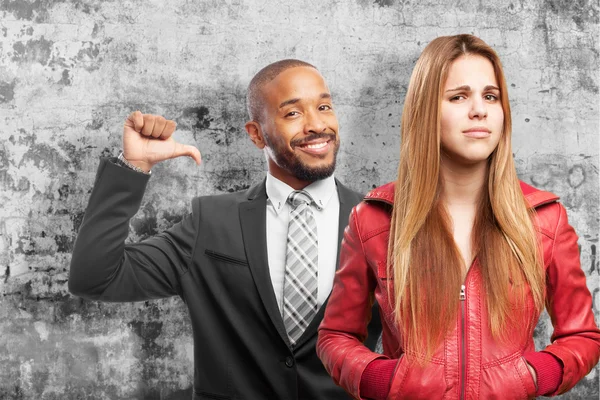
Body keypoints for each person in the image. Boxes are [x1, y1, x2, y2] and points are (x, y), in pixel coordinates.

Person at [69, 59, 381, 400]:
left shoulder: (382, 222)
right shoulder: (211, 221)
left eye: (324, 107)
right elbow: (95, 277)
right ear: (256, 134)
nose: (316, 124)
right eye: (293, 113)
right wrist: (134, 166)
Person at [316, 35, 600, 400]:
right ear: (425, 110)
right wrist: (382, 379)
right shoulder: (373, 220)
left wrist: (533, 375)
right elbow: (336, 336)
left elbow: (583, 336)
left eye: (491, 96)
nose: (479, 110)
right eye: (458, 96)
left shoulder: (545, 220)